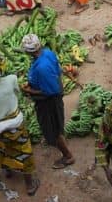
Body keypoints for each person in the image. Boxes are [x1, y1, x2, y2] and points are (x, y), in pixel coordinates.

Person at [0, 53, 39, 195]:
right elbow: (18, 93)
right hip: (15, 125)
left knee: (2, 149)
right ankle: (29, 185)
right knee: (24, 151)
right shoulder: (11, 80)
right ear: (1, 68)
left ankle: (9, 171)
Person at [22, 33, 75, 168]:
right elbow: (57, 71)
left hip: (49, 102)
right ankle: (56, 138)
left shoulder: (41, 68)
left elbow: (47, 92)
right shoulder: (47, 53)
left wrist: (29, 91)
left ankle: (68, 156)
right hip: (54, 94)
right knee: (56, 123)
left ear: (28, 51)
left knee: (53, 129)